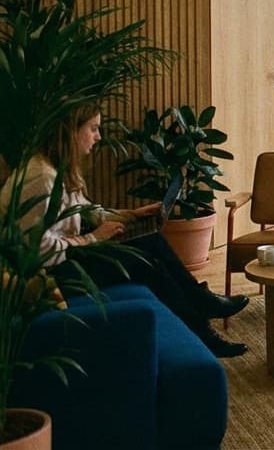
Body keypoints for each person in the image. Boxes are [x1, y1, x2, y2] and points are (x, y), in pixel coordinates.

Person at [1, 103, 250, 357]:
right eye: (94, 129)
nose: (98, 136)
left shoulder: (55, 168)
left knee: (152, 242)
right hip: (52, 274)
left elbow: (84, 209)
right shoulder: (41, 178)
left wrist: (131, 215)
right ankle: (203, 330)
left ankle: (201, 304)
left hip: (67, 259)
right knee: (145, 263)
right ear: (71, 132)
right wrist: (92, 238)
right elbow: (37, 250)